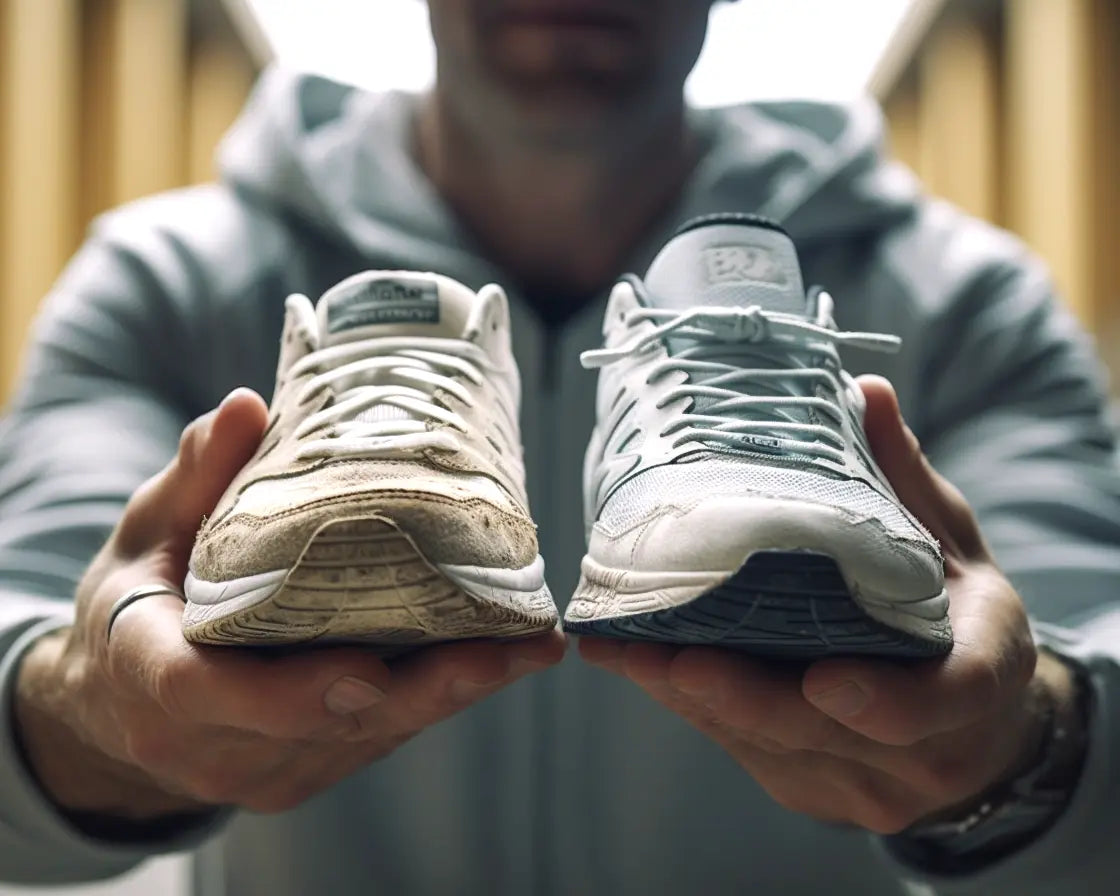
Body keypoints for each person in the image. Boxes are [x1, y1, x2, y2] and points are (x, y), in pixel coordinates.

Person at [1, 1, 1118, 893]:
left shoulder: (969, 303)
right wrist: (83, 707)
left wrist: (1035, 740)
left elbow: (1088, 640)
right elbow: (28, 621)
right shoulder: (160, 281)